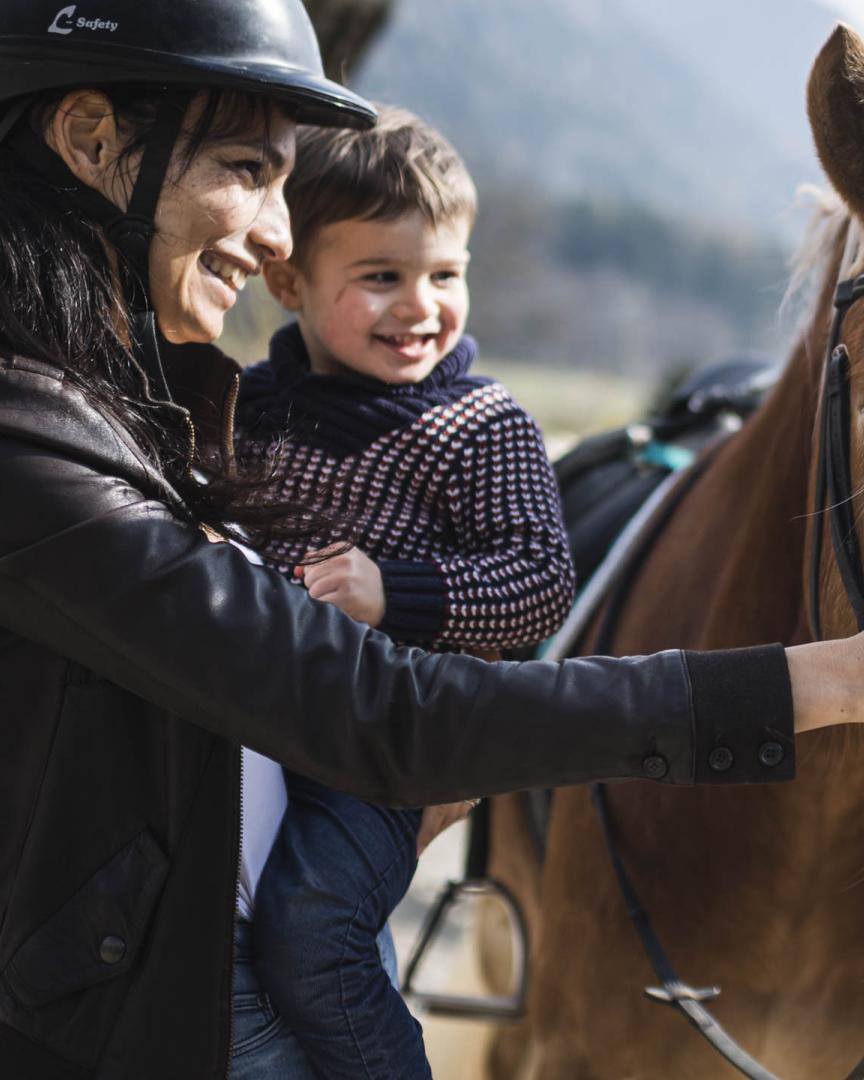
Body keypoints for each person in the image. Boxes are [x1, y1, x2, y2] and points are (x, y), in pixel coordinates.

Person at [0, 2, 864, 1078]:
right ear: (91, 137)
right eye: (247, 170)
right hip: (169, 1023)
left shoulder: (106, 402)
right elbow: (362, 703)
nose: (268, 235)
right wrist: (827, 679)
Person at [234, 107, 570, 1078]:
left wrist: (397, 595)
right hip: (247, 733)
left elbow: (538, 583)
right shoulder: (247, 406)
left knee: (312, 931)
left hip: (378, 751)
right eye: (381, 277)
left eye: (444, 275)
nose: (420, 306)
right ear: (289, 279)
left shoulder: (480, 426)